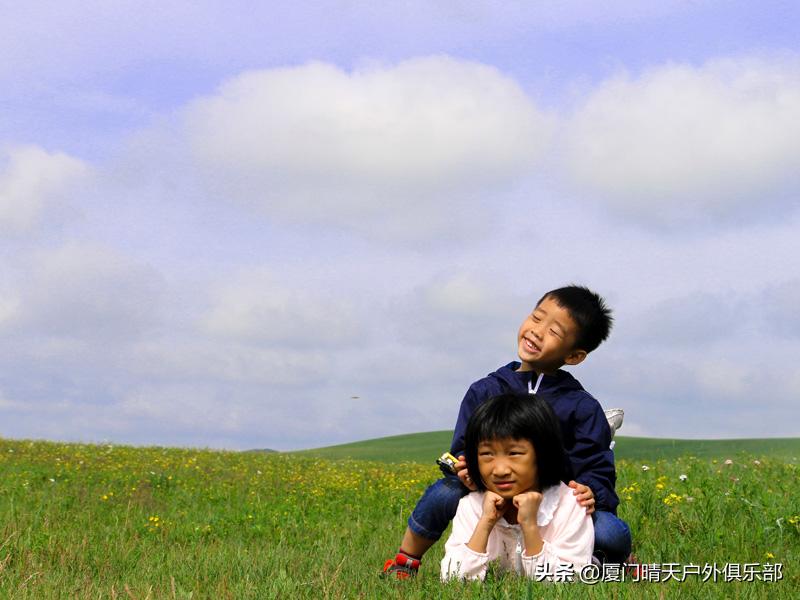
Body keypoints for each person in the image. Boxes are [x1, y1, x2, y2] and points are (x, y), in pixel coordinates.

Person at [382, 285, 631, 578]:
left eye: (554, 332)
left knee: (610, 532)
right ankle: (405, 561)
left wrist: (591, 490)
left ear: (575, 356)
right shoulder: (484, 390)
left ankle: (601, 565)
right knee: (442, 494)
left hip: (552, 501)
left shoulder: (582, 407)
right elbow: (463, 446)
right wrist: (465, 468)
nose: (537, 331)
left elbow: (598, 466)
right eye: (536, 318)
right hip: (489, 489)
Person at [441, 392, 592, 580]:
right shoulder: (472, 506)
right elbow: (452, 580)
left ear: (543, 454)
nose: (500, 470)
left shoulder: (569, 505)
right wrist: (486, 522)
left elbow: (570, 582)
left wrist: (530, 526)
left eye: (514, 453)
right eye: (487, 454)